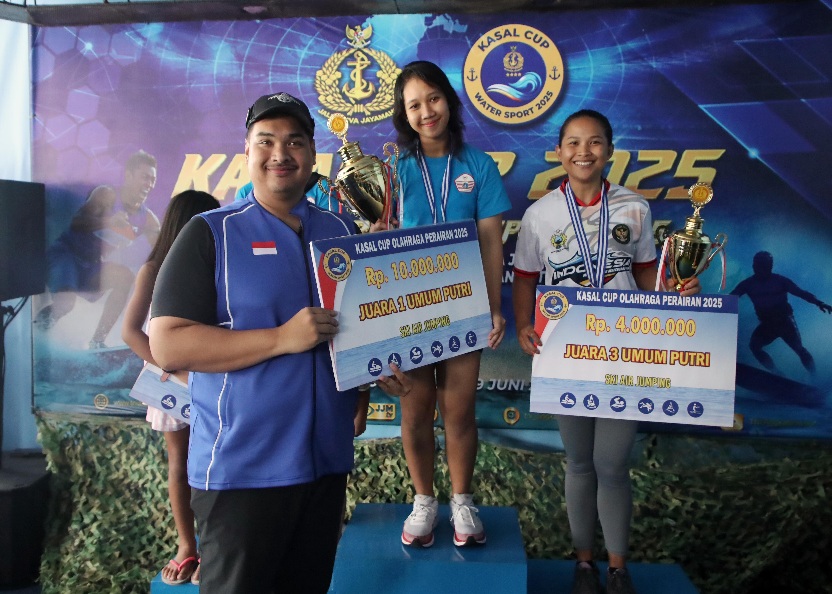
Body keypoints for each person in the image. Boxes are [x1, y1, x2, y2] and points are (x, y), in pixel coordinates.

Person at [147, 92, 408, 594]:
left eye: (295, 141)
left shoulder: (338, 229)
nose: (280, 154)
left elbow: (351, 327)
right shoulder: (211, 232)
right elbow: (169, 345)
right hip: (242, 472)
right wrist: (281, 338)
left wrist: (376, 367)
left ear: (312, 155)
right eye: (266, 141)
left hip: (324, 466)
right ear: (246, 151)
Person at [511, 109, 700, 594]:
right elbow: (526, 278)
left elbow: (646, 272)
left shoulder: (634, 207)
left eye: (595, 142)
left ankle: (617, 567)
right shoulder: (540, 214)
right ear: (558, 152)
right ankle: (584, 565)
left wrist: (674, 290)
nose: (584, 151)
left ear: (610, 151)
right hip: (564, 349)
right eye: (573, 142)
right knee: (578, 461)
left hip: (623, 348)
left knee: (612, 464)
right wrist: (523, 324)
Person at [377, 60, 510, 548]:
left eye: (433, 99)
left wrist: (494, 307)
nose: (426, 111)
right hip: (409, 307)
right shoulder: (393, 170)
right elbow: (378, 241)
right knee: (415, 412)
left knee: (459, 410)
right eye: (414, 105)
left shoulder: (479, 165)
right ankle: (423, 500)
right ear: (404, 114)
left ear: (449, 102)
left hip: (464, 303)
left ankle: (461, 500)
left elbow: (491, 243)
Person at [121, 190, 220, 586]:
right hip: (170, 384)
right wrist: (167, 365)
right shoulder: (153, 269)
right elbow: (131, 331)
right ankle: (186, 546)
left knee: (214, 465)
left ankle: (213, 549)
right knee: (179, 463)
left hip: (214, 378)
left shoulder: (220, 266)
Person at [37, 150, 161, 348]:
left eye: (153, 180)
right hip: (66, 254)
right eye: (144, 177)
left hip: (92, 265)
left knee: (125, 277)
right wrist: (108, 221)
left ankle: (97, 342)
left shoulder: (148, 220)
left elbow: (163, 254)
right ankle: (36, 335)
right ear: (128, 175)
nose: (149, 184)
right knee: (65, 304)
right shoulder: (106, 195)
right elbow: (77, 222)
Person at [731, 250, 831, 374]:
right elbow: (730, 299)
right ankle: (777, 373)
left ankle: (814, 376)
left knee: (799, 349)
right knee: (754, 347)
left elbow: (801, 293)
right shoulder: (748, 284)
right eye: (757, 265)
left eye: (763, 265)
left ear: (769, 267)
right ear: (754, 266)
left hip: (785, 322)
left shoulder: (779, 281)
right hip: (767, 325)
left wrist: (819, 303)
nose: (759, 269)